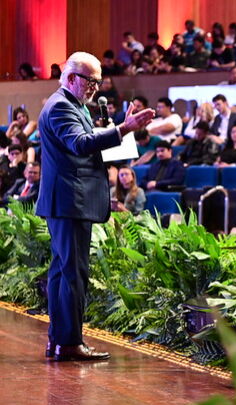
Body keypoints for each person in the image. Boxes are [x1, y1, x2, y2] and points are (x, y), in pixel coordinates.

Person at [36, 52, 154, 361]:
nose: (96, 87)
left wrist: (115, 130)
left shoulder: (74, 105)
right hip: (68, 201)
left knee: (64, 273)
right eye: (91, 81)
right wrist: (123, 129)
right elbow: (80, 143)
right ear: (72, 77)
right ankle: (69, 342)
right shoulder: (61, 106)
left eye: (99, 81)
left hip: (70, 201)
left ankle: (60, 341)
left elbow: (85, 141)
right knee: (72, 274)